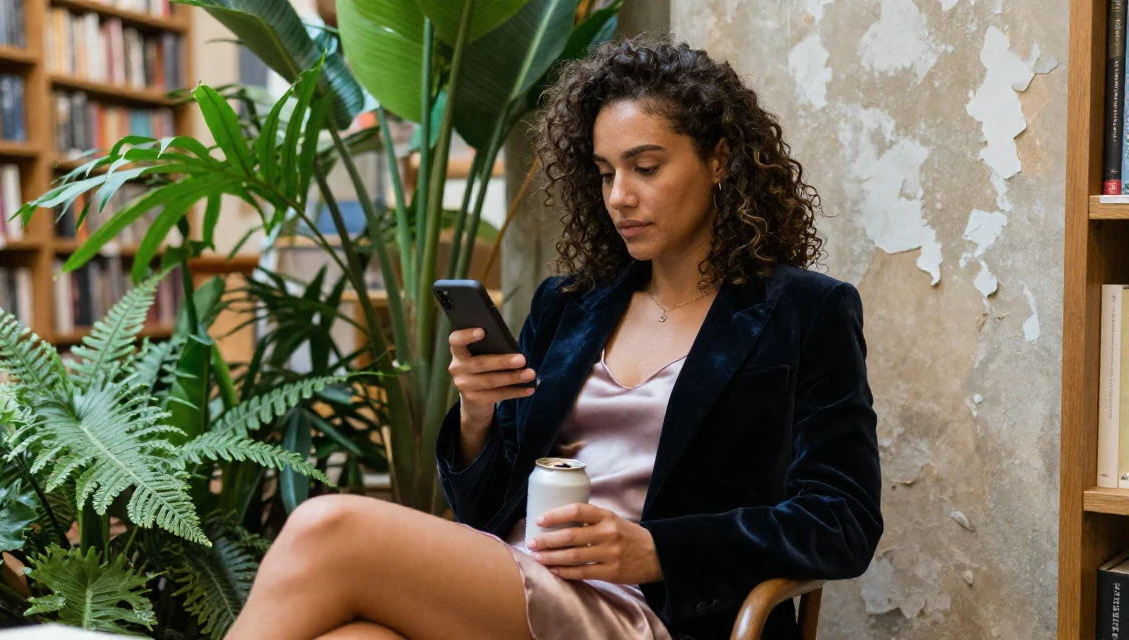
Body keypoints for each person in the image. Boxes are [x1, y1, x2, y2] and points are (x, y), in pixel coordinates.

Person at [226, 33, 883, 640]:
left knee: (327, 525)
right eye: (604, 173)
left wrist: (656, 549)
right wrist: (479, 418)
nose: (619, 195)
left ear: (717, 161)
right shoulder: (570, 306)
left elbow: (842, 520)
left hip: (648, 613)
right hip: (513, 584)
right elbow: (484, 512)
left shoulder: (805, 311)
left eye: (645, 167)